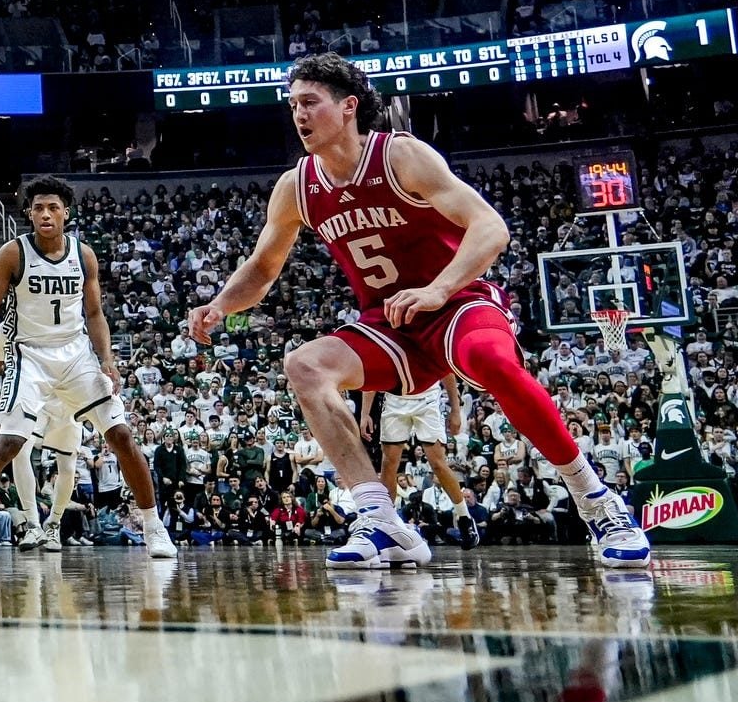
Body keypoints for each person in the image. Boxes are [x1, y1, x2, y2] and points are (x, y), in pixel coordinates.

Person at [186, 54, 650, 568]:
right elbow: (263, 265)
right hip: (390, 323)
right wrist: (221, 304)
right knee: (304, 365)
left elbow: (491, 228)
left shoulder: (400, 155)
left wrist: (437, 288)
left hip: (456, 302)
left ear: (348, 108)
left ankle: (596, 500)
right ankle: (380, 517)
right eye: (293, 104)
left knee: (493, 363)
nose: (298, 114)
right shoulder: (297, 186)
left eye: (310, 102)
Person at [0, 177, 176, 559]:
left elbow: (94, 313)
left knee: (122, 436)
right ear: (29, 214)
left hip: (76, 353)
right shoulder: (13, 253)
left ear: (66, 213)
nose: (46, 214)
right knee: (11, 442)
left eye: (53, 207)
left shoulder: (84, 255)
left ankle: (153, 527)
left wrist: (107, 360)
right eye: (39, 208)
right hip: (30, 354)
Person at [363, 375, 477, 546]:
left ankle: (464, 517)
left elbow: (445, 370)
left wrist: (455, 409)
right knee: (388, 464)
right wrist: (365, 413)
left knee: (437, 464)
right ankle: (386, 524)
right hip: (394, 399)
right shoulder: (386, 346)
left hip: (428, 398)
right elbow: (373, 371)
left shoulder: (427, 346)